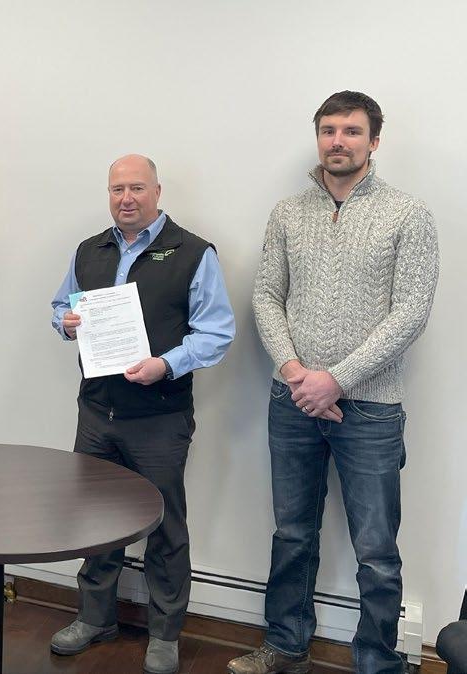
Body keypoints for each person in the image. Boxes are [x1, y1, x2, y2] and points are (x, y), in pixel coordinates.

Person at [229, 91, 439, 674]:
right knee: (292, 533)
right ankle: (285, 645)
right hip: (291, 400)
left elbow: (410, 314)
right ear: (317, 137)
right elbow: (266, 295)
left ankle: (377, 661)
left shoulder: (408, 214)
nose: (338, 141)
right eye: (328, 130)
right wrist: (295, 371)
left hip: (371, 410)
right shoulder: (287, 213)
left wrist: (337, 380)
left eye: (351, 131)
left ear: (375, 141)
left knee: (376, 551)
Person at [49, 154, 234, 674]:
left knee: (165, 525)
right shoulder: (89, 250)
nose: (126, 198)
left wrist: (166, 365)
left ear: (157, 191)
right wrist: (67, 322)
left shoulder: (194, 253)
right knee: (94, 518)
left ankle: (165, 633)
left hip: (160, 416)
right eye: (117, 189)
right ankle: (95, 617)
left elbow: (217, 332)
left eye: (136, 188)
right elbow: (60, 308)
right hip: (96, 411)